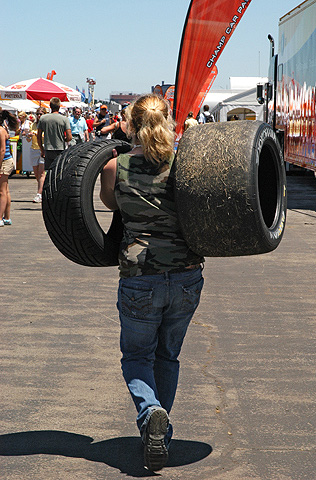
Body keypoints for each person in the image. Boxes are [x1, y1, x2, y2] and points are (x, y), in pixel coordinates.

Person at [100, 94, 204, 472]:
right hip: (186, 275)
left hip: (140, 276)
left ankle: (151, 414)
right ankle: (158, 427)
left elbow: (112, 204)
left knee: (137, 356)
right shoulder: (188, 166)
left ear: (130, 123)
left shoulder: (116, 166)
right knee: (167, 355)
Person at [37, 97, 72, 170]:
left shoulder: (43, 118)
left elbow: (39, 136)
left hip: (48, 148)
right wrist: (64, 139)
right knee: (58, 170)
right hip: (60, 148)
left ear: (50, 106)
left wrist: (41, 149)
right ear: (59, 106)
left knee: (49, 171)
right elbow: (69, 137)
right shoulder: (64, 119)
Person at [0, 110, 19, 227]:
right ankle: (6, 217)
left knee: (1, 191)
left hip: (4, 162)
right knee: (5, 190)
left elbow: (2, 150)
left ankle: (0, 218)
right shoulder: (4, 128)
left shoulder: (1, 130)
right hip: (7, 160)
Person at [28, 107, 47, 203]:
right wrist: (28, 135)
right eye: (38, 114)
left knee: (41, 173)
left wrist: (36, 134)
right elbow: (28, 139)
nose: (39, 116)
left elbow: (45, 136)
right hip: (34, 149)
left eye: (41, 114)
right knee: (36, 174)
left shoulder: (45, 124)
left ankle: (39, 194)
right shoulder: (33, 125)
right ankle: (43, 190)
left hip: (42, 148)